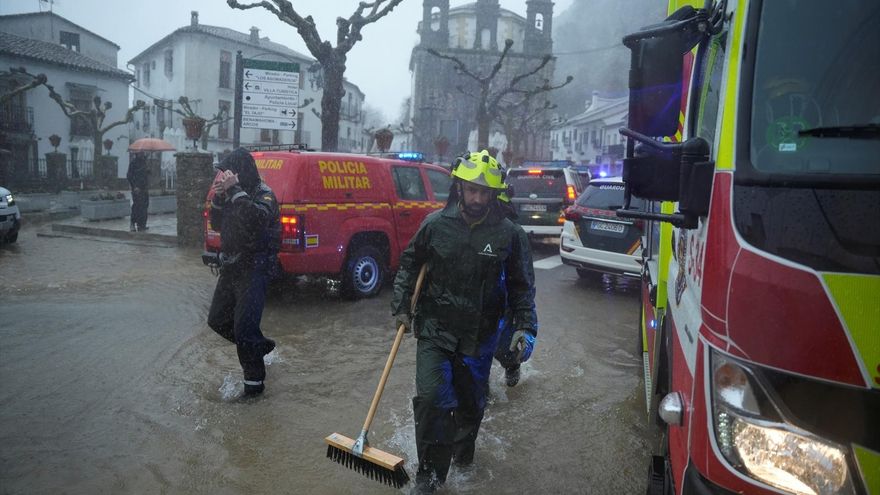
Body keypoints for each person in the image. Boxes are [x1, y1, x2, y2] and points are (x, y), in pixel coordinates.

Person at [391, 150, 538, 493]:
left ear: (494, 194)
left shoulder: (509, 234)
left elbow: (522, 287)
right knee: (432, 399)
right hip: (435, 329)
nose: (477, 198)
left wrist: (524, 327)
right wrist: (401, 307)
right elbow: (409, 266)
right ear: (459, 187)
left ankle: (462, 455)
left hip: (480, 336)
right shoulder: (435, 225)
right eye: (471, 190)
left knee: (470, 406)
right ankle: (429, 477)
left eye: (484, 192)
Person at [207, 147, 281, 399]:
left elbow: (256, 219)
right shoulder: (232, 194)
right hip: (232, 265)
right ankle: (259, 346)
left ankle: (254, 387)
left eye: (229, 172)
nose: (225, 177)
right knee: (217, 320)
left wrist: (235, 191)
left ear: (242, 172)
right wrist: (219, 198)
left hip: (255, 267)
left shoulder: (264, 193)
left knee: (245, 329)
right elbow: (217, 223)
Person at [127, 152, 150, 232]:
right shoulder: (133, 163)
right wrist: (135, 186)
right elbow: (129, 176)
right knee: (137, 206)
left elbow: (145, 175)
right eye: (141, 152)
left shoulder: (144, 161)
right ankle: (133, 223)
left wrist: (148, 171)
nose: (142, 154)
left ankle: (142, 224)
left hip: (144, 188)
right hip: (137, 189)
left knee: (144, 206)